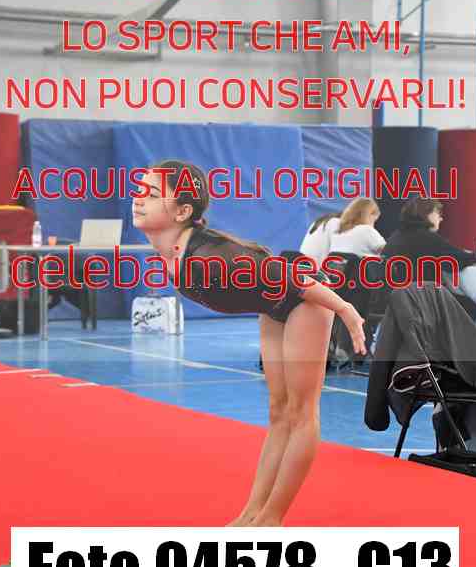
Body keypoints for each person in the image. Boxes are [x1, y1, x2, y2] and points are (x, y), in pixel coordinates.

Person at [132, 159, 366, 527]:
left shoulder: (211, 259)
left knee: (301, 412)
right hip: (272, 304)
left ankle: (271, 518)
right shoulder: (177, 250)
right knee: (278, 411)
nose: (138, 198)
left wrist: (346, 311)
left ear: (182, 211)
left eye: (151, 193)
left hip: (306, 299)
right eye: (140, 189)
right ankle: (251, 514)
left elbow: (293, 278)